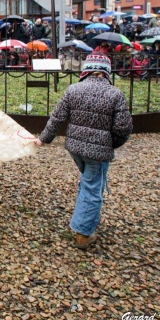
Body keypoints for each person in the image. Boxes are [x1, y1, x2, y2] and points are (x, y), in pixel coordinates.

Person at [37, 53, 133, 249]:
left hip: (75, 149)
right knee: (93, 188)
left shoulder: (73, 90)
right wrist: (111, 143)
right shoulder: (115, 94)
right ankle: (83, 232)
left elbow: (56, 118)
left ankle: (82, 218)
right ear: (106, 71)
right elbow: (123, 127)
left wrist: (43, 139)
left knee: (88, 181)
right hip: (97, 152)